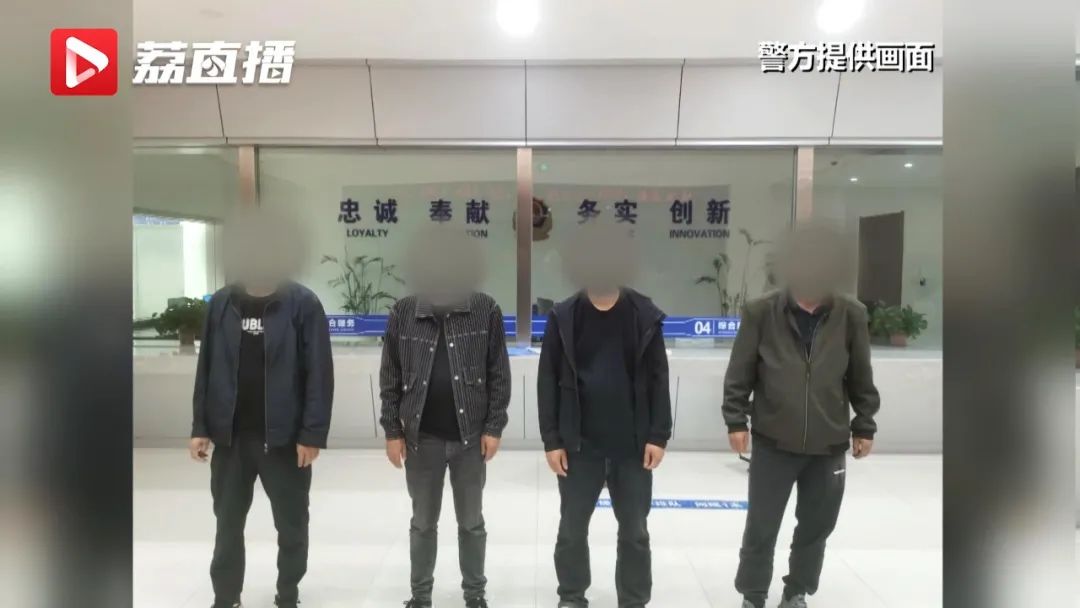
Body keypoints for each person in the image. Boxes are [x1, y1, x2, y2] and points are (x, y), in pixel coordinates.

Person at [722, 225, 880, 608]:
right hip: (773, 440)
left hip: (828, 444)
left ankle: (797, 591)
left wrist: (864, 423)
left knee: (816, 526)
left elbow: (860, 375)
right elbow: (740, 371)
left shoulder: (851, 315)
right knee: (762, 525)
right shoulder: (762, 312)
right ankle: (753, 593)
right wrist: (735, 419)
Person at [537, 224, 672, 608]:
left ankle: (633, 599)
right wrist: (552, 439)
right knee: (571, 529)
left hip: (632, 447)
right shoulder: (564, 316)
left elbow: (659, 379)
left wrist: (658, 435)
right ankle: (572, 595)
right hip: (579, 447)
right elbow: (547, 381)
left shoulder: (643, 315)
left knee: (635, 532)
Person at [378, 229, 512, 608]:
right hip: (421, 439)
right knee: (423, 523)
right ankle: (420, 596)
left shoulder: (484, 309)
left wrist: (494, 426)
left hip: (470, 438)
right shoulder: (404, 312)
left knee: (471, 522)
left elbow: (498, 373)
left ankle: (475, 594)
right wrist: (392, 430)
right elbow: (390, 376)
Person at [189, 279, 334, 608]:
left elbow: (319, 372)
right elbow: (206, 366)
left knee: (291, 525)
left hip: (284, 440)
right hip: (231, 439)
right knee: (227, 524)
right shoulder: (222, 303)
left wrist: (311, 434)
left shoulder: (302, 303)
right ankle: (226, 597)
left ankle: (288, 593)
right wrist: (201, 426)